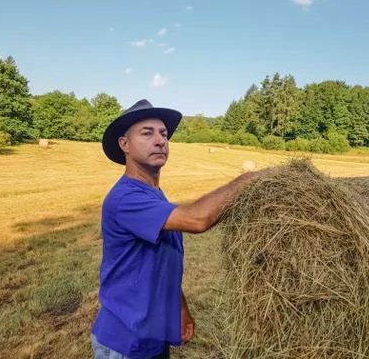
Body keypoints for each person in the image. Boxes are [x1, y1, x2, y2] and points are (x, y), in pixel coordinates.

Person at [91, 99, 273, 359]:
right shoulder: (126, 198)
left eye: (164, 134)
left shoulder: (154, 195)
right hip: (125, 341)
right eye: (147, 133)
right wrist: (249, 179)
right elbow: (198, 219)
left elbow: (160, 261)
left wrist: (181, 307)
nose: (160, 141)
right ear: (124, 144)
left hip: (151, 337)